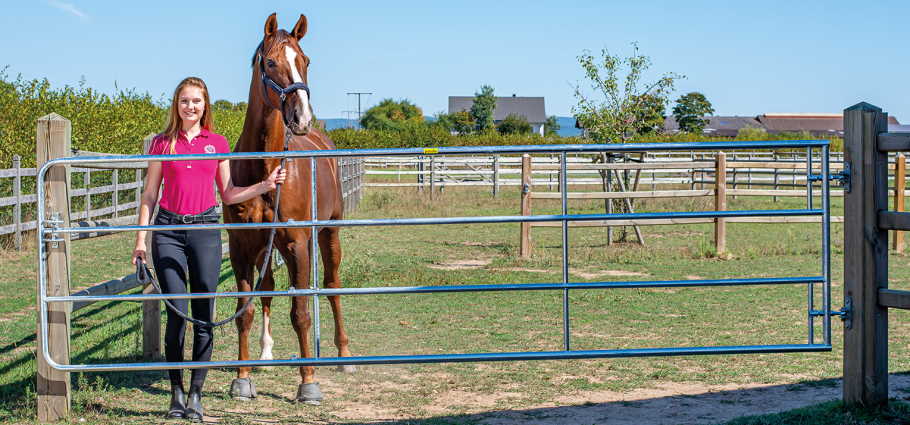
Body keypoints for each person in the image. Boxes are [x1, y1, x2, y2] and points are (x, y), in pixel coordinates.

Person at [132, 77, 286, 421]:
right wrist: (141, 240)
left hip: (204, 230)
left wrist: (264, 184)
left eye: (196, 102)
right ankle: (176, 394)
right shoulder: (162, 144)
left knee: (204, 315)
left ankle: (197, 395)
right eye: (185, 101)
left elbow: (228, 193)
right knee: (176, 313)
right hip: (168, 230)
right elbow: (149, 195)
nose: (190, 107)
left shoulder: (216, 143)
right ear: (177, 105)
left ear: (205, 106)